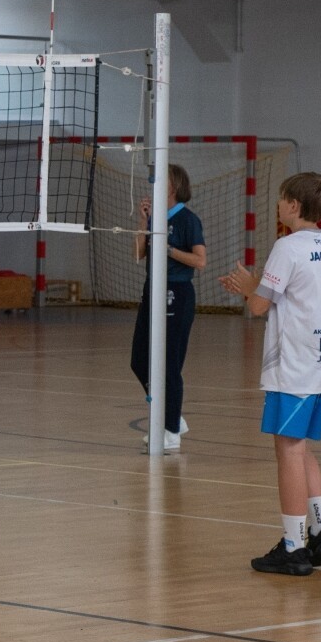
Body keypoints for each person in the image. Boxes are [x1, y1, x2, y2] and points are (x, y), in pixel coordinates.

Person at [221, 172, 321, 577]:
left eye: (280, 198)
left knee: (288, 451)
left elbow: (259, 306)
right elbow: (292, 296)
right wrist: (256, 286)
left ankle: (293, 547)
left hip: (295, 364)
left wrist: (249, 286)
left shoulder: (287, 246)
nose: (276, 204)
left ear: (294, 205)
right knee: (302, 448)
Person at [131, 164, 205, 453]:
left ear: (172, 187)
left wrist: (169, 249)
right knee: (139, 360)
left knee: (169, 364)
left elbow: (200, 261)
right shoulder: (155, 218)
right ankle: (172, 413)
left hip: (177, 293)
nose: (153, 185)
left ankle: (171, 430)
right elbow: (138, 255)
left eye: (159, 180)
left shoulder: (188, 220)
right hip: (152, 289)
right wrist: (144, 223)